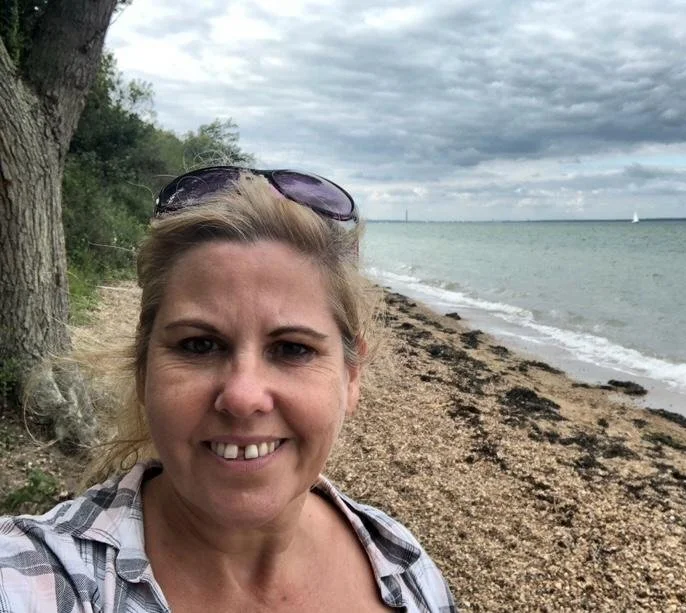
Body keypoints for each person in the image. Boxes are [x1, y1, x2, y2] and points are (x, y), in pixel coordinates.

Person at [0, 167, 457, 612]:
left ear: (351, 376)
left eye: (293, 349)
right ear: (143, 370)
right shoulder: (37, 577)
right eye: (199, 345)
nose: (242, 396)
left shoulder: (405, 566)